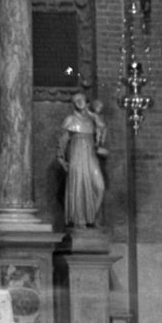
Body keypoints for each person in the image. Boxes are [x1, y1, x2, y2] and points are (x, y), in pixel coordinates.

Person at [57, 91, 108, 229]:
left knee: (100, 187)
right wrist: (61, 159)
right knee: (78, 187)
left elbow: (102, 129)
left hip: (90, 155)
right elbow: (61, 142)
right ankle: (80, 221)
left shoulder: (92, 120)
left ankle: (92, 217)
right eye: (76, 100)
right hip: (77, 155)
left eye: (81, 99)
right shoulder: (70, 120)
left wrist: (92, 115)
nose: (79, 101)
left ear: (87, 102)